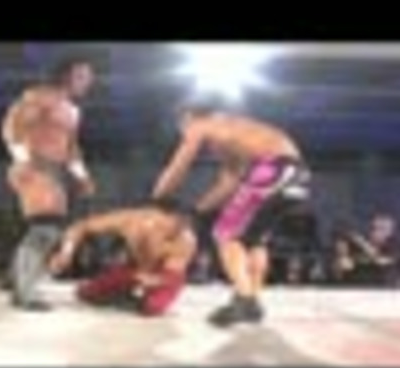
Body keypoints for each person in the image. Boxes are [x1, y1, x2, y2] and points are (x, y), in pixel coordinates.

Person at [151, 102, 311, 327]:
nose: (184, 134)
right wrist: (197, 210)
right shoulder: (236, 135)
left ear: (188, 118)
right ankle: (253, 298)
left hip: (274, 170)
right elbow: (229, 183)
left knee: (225, 233)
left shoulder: (201, 125)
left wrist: (159, 195)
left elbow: (180, 164)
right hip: (297, 176)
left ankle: (244, 301)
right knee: (254, 240)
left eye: (182, 128)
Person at [1, 57, 97, 311]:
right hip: (35, 165)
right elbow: (12, 126)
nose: (87, 82)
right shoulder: (39, 97)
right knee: (45, 228)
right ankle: (24, 292)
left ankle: (17, 280)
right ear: (65, 75)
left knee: (50, 229)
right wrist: (23, 161)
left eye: (89, 77)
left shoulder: (73, 111)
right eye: (81, 76)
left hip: (56, 170)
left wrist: (81, 175)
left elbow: (71, 147)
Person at [48, 200, 197, 317]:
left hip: (164, 275)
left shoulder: (185, 240)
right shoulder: (130, 221)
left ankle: (133, 298)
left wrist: (149, 280)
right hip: (134, 269)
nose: (179, 227)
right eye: (176, 222)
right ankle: (123, 295)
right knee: (85, 293)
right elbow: (81, 226)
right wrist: (66, 252)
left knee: (153, 307)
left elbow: (171, 275)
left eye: (182, 224)